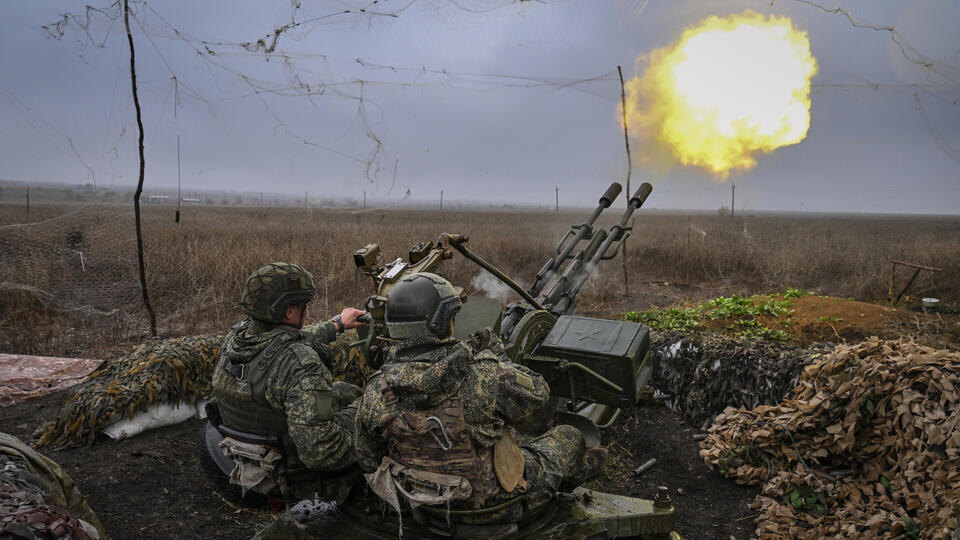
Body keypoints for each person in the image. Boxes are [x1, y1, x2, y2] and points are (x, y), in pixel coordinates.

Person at [354, 272, 607, 537]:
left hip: (424, 506)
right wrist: (497, 358)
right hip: (495, 508)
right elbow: (540, 396)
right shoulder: (483, 374)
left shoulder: (376, 388)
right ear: (441, 322)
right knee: (568, 436)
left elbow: (369, 458)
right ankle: (563, 490)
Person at [209, 262, 366, 501]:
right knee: (363, 401)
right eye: (304, 306)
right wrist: (369, 410)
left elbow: (283, 341)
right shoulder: (301, 364)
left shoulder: (236, 338)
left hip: (250, 444)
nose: (307, 311)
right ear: (290, 313)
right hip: (291, 472)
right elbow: (322, 452)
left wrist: (337, 325)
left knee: (342, 391)